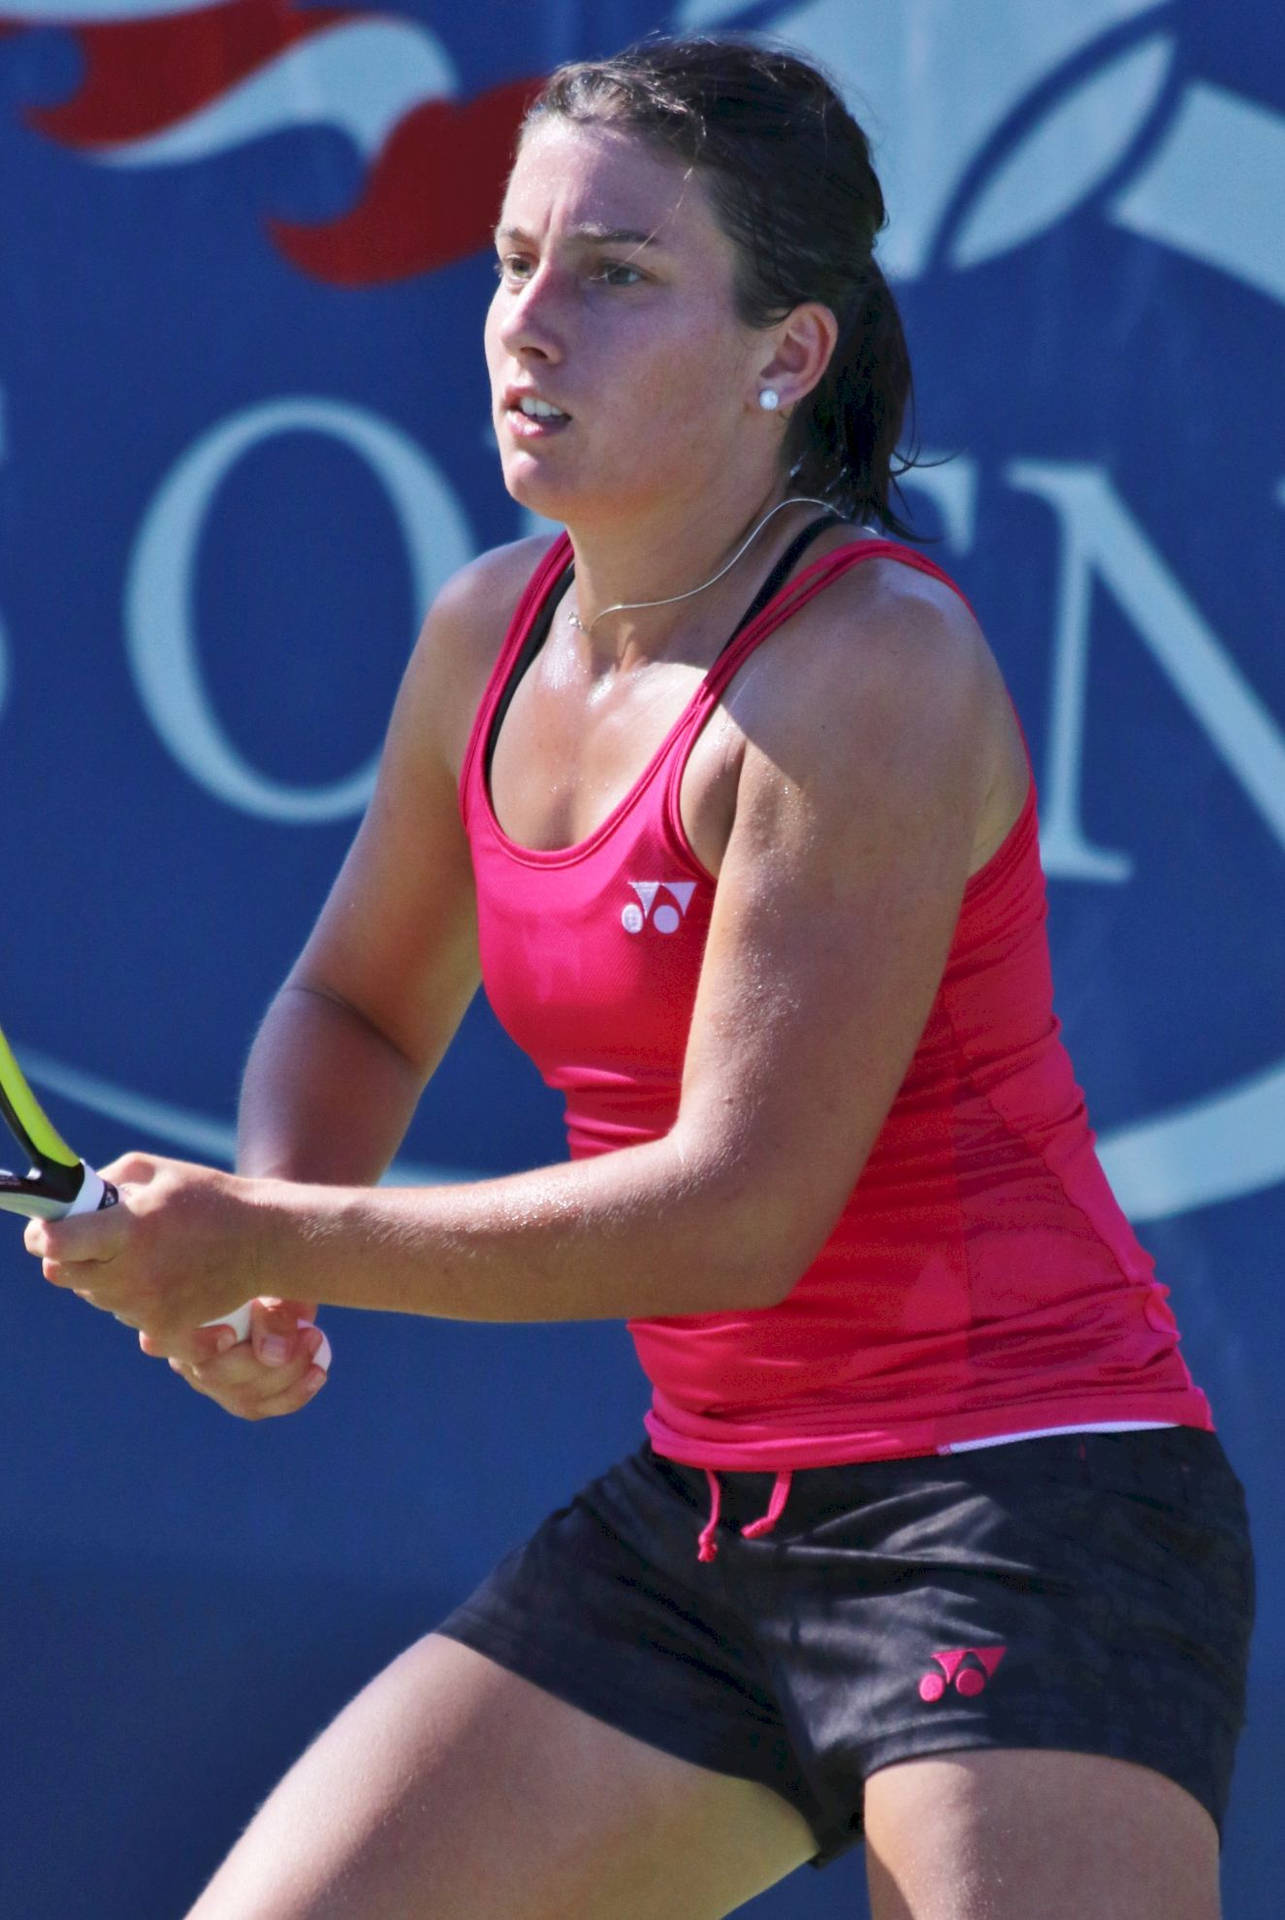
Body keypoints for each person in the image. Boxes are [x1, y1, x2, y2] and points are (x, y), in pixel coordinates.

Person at [27, 37, 1252, 1920]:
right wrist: (269, 1234)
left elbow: (734, 1220)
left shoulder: (872, 676)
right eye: (511, 261)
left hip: (1024, 1506)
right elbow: (354, 1011)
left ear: (789, 355)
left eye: (613, 276)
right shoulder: (480, 634)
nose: (528, 324)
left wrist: (271, 1230)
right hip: (713, 1520)